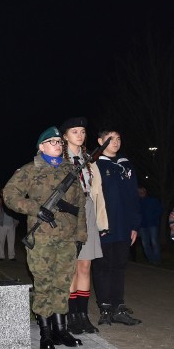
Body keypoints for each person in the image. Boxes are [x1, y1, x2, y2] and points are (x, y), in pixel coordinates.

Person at [4, 126, 87, 349]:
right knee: (43, 283)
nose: (58, 145)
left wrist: (80, 235)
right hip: (41, 237)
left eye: (60, 142)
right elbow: (9, 195)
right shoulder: (30, 170)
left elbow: (79, 205)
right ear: (41, 147)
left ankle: (61, 330)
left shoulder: (70, 172)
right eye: (52, 142)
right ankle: (46, 333)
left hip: (67, 238)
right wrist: (35, 208)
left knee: (62, 283)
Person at [60, 117, 108, 335]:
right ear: (65, 136)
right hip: (69, 211)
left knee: (85, 266)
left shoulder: (89, 160)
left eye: (82, 131)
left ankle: (82, 315)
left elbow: (96, 192)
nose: (80, 135)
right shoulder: (59, 159)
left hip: (87, 208)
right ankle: (70, 316)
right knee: (71, 266)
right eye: (74, 131)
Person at [94, 128, 142, 326]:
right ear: (100, 141)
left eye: (118, 138)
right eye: (110, 139)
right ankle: (105, 308)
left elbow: (133, 198)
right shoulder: (94, 165)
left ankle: (118, 307)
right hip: (104, 225)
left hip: (124, 227)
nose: (116, 142)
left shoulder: (126, 165)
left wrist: (134, 225)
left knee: (119, 267)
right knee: (102, 267)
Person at [137, 185, 163, 264]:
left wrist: (154, 217)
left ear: (145, 192)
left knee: (154, 241)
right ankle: (151, 260)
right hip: (142, 226)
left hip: (152, 224)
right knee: (145, 244)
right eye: (139, 192)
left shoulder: (153, 200)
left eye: (142, 191)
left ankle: (157, 260)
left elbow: (160, 209)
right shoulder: (136, 202)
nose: (141, 193)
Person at [0, 194, 19, 261]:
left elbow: (17, 213)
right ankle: (1, 256)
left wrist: (16, 222)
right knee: (1, 241)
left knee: (11, 241)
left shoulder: (12, 204)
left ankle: (11, 256)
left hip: (11, 225)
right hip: (2, 225)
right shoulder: (0, 203)